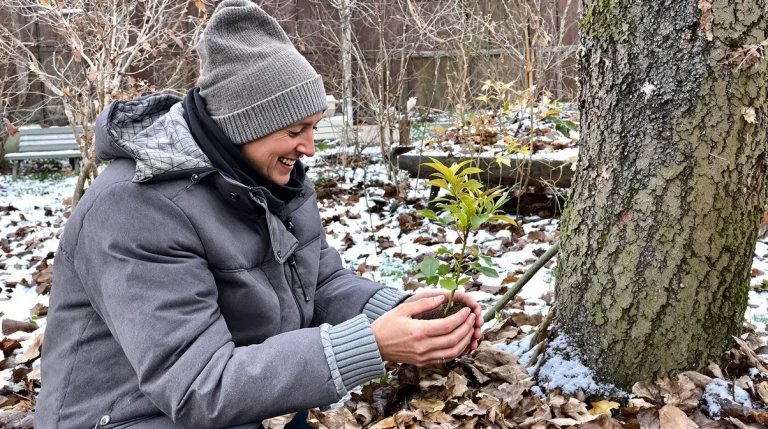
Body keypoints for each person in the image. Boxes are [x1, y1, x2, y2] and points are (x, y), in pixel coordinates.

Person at [35, 1, 483, 428]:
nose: (309, 148)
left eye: (313, 127)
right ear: (241, 125)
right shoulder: (135, 208)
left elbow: (319, 282)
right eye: (295, 131)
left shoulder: (269, 180)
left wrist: (405, 312)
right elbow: (198, 387)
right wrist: (371, 344)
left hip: (246, 411)